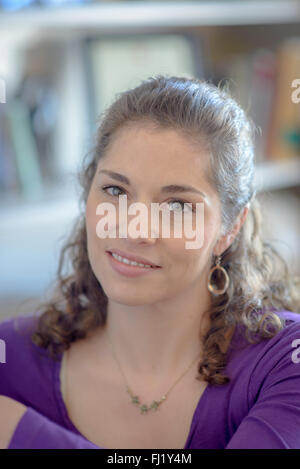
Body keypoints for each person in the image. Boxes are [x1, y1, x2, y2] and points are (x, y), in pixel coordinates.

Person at [0, 75, 300, 449]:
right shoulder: (8, 355)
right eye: (115, 190)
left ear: (229, 229)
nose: (133, 230)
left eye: (177, 206)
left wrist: (18, 432)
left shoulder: (286, 362)